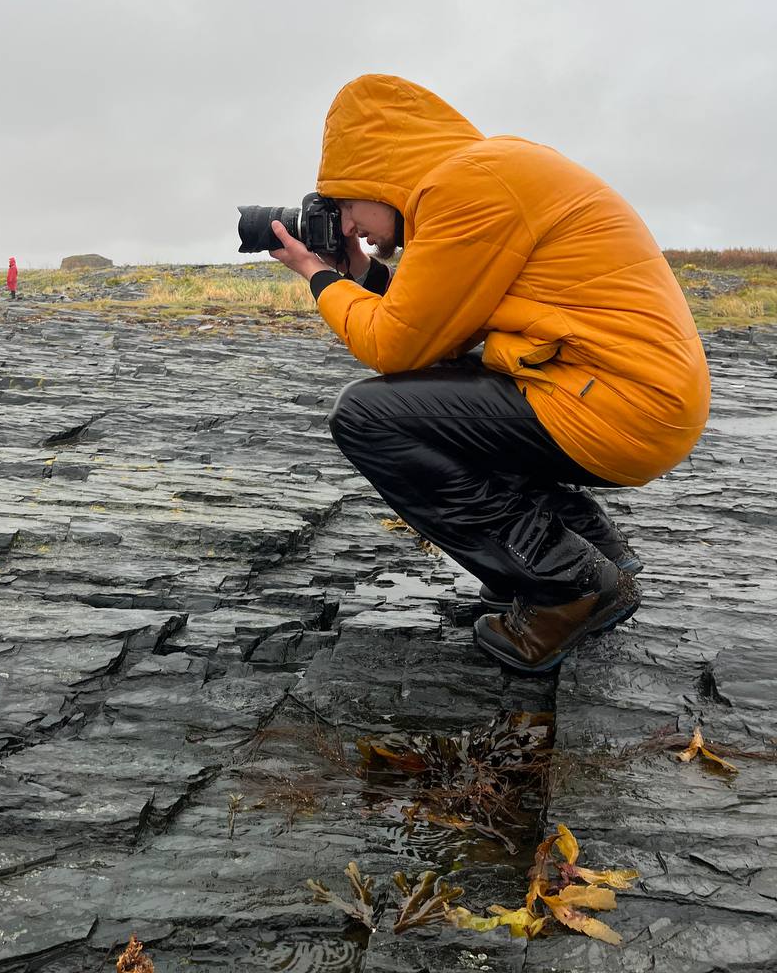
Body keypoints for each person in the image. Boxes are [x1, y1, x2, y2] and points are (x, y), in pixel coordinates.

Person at [269, 74, 710, 674]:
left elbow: (394, 345)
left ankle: (566, 586)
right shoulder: (486, 173)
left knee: (369, 417)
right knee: (446, 396)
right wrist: (360, 277)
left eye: (346, 205)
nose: (348, 227)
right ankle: (594, 554)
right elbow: (441, 328)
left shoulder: (466, 185)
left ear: (380, 178)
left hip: (613, 405)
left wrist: (319, 276)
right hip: (626, 395)